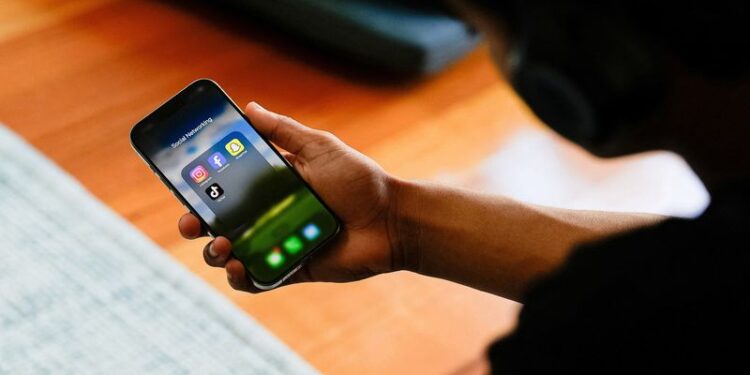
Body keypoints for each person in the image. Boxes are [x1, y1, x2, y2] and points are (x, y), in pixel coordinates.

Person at [178, 1, 749, 372]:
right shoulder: (689, 279)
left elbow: (662, 293)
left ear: (587, 65)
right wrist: (398, 220)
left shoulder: (620, 325)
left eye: (481, 30)